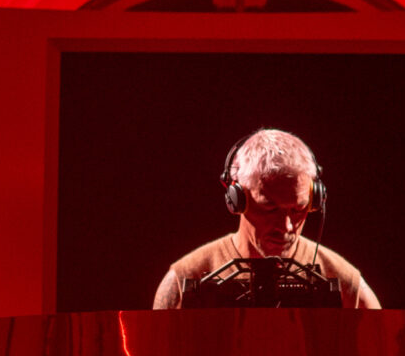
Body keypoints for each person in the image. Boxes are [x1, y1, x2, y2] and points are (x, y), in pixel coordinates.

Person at [153, 128, 378, 309]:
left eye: (298, 209)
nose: (286, 226)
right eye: (269, 208)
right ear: (237, 199)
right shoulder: (183, 280)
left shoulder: (346, 284)